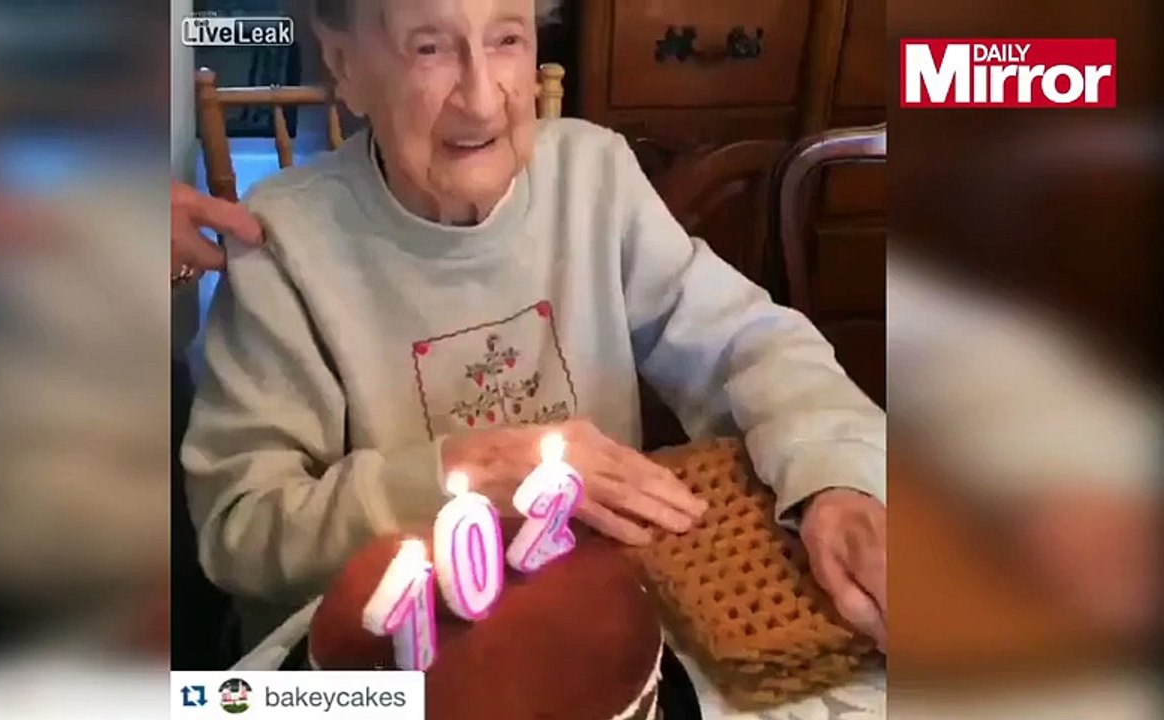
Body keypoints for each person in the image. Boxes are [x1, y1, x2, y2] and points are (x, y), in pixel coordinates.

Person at [180, 0, 887, 651]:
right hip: (394, 657)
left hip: (596, 629)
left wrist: (838, 479)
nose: (484, 100)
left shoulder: (594, 175)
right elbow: (242, 531)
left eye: (507, 39)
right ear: (345, 67)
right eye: (430, 48)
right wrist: (470, 470)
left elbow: (750, 344)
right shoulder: (282, 246)